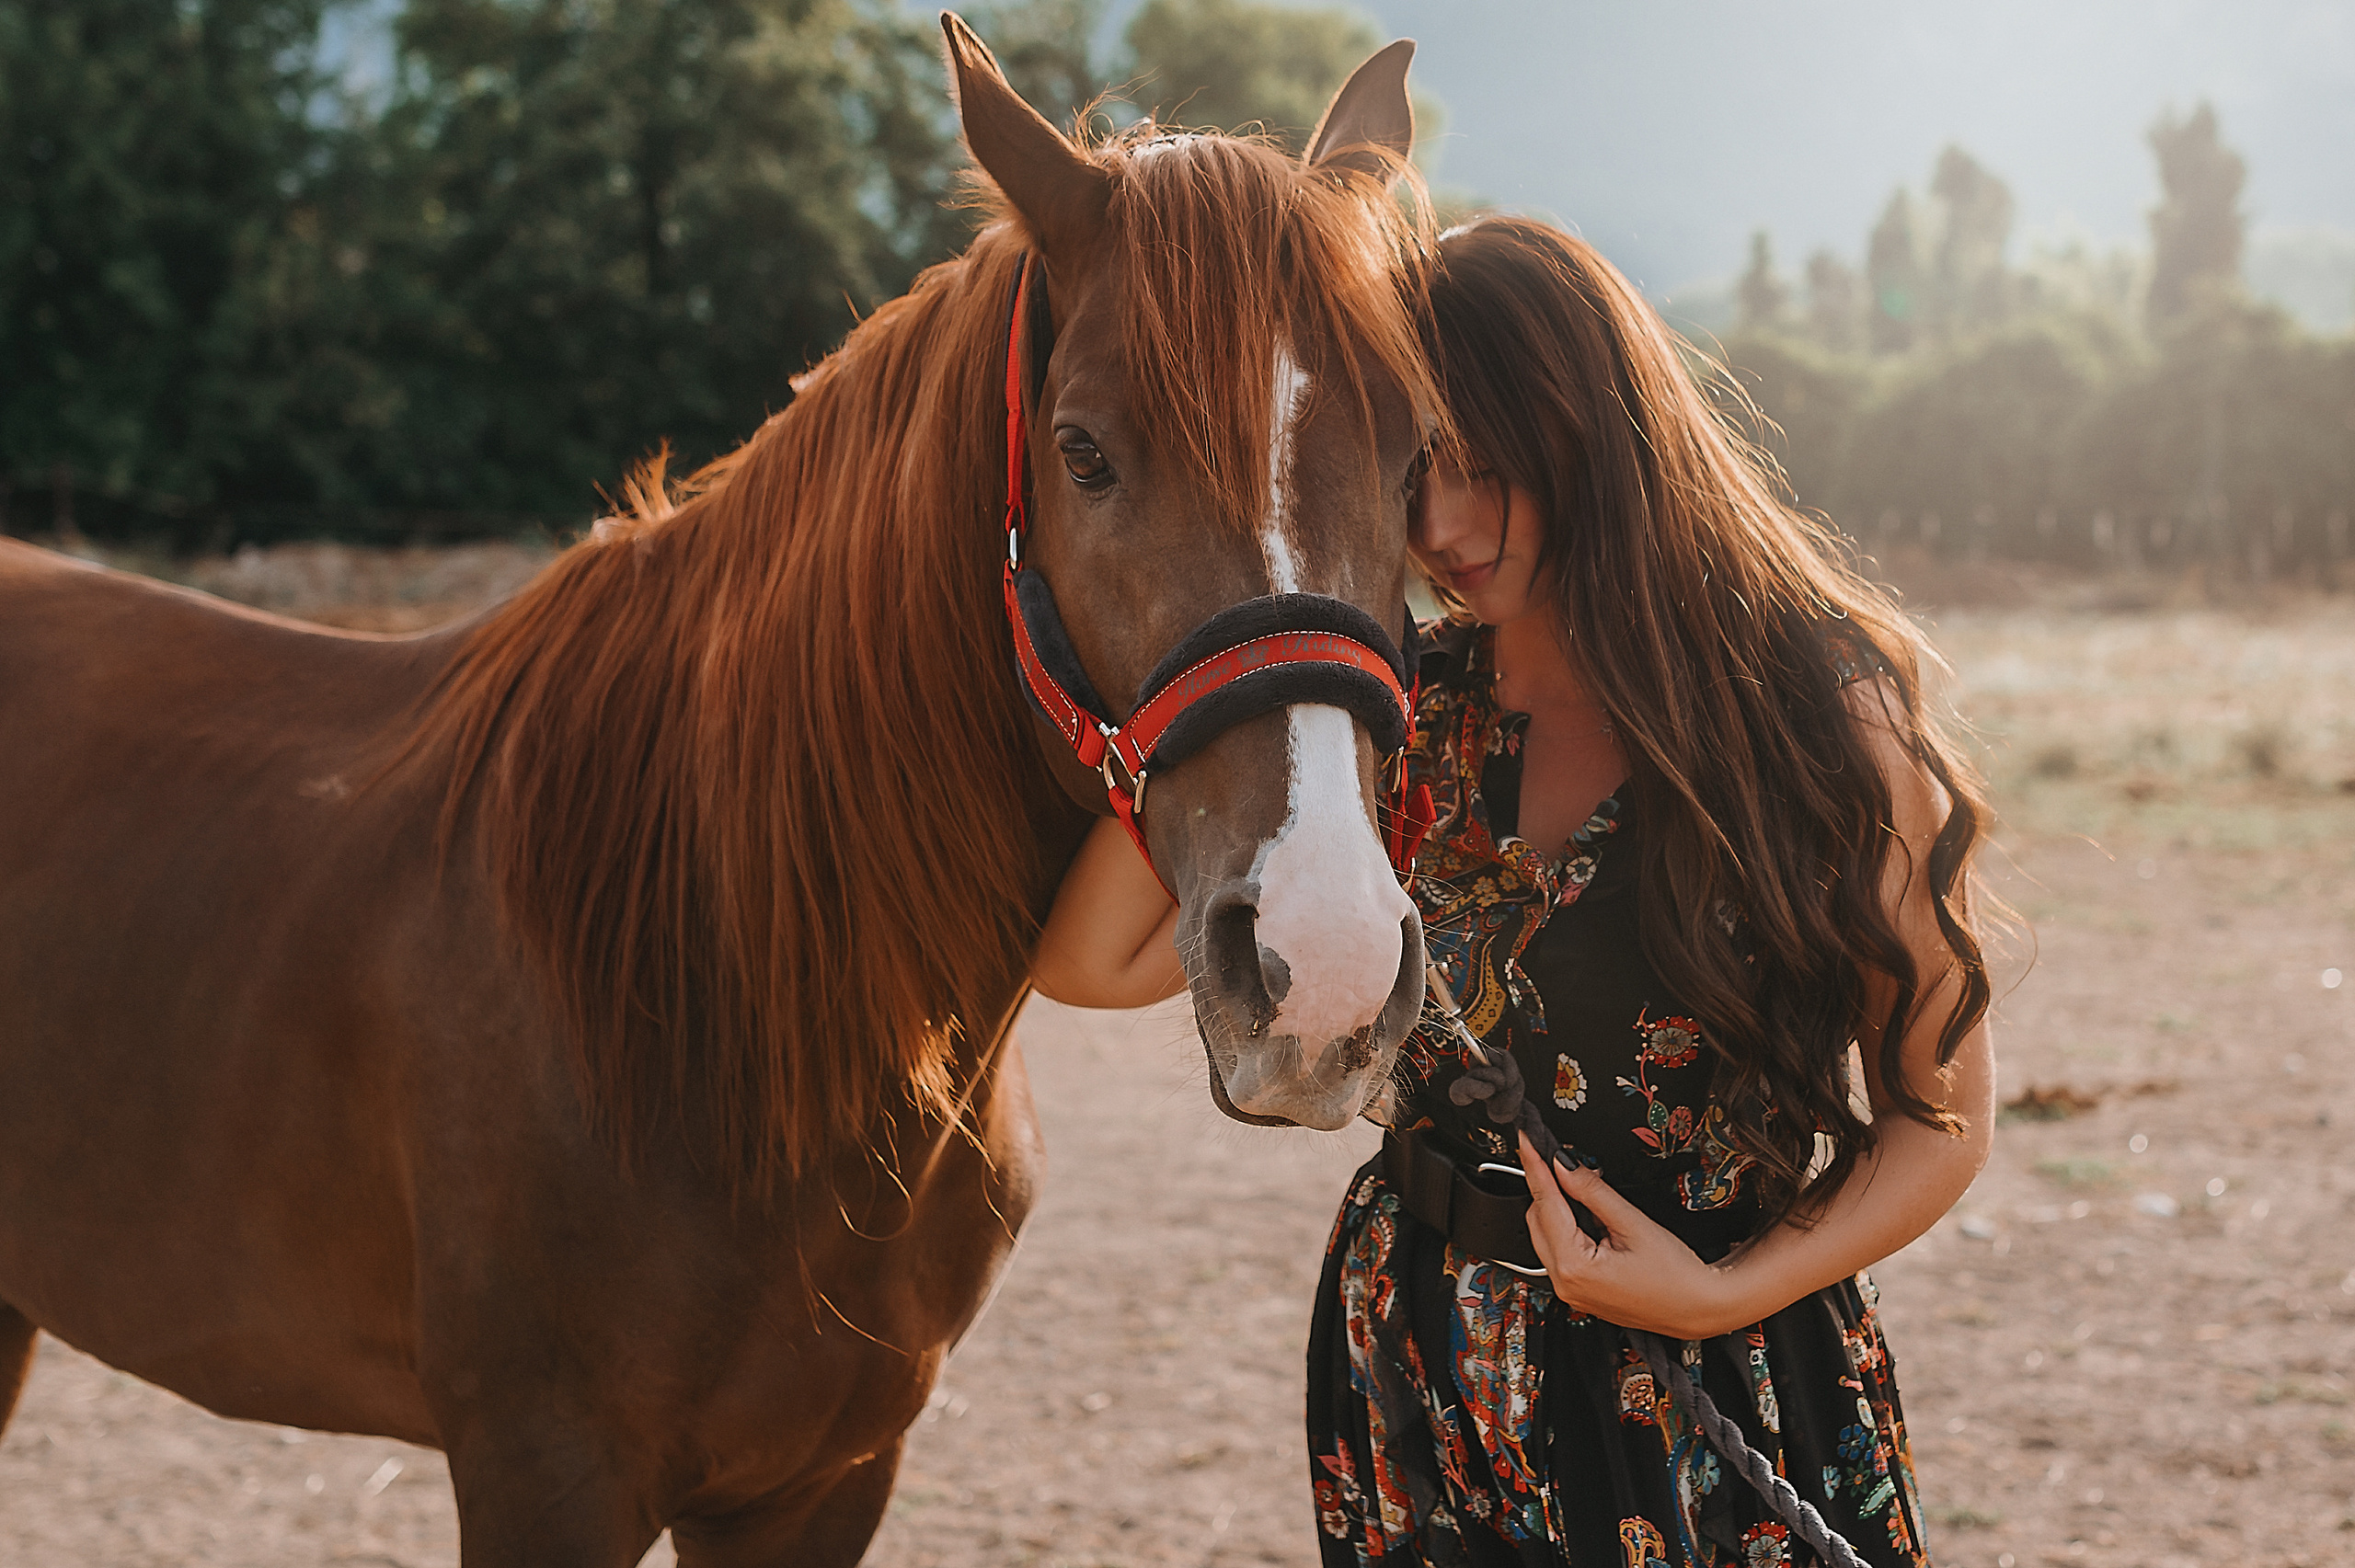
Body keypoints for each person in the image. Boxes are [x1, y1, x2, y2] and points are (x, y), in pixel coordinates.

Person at [1030, 215, 1995, 1568]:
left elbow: (1941, 1117)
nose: (1442, 526)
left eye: (1489, 468)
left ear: (1598, 433)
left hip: (1714, 1371)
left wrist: (1727, 1290)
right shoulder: (1398, 709)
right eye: (1415, 467)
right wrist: (1240, 689)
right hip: (1417, 1359)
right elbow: (1089, 963)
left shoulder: (1820, 722)